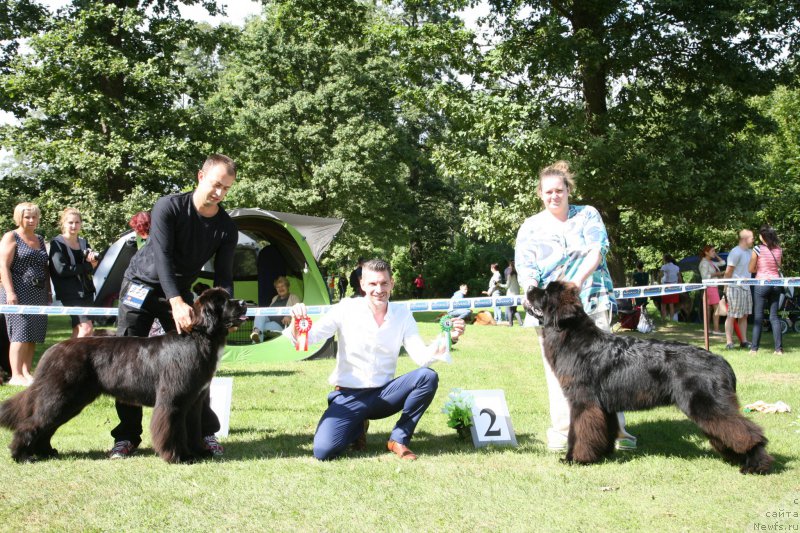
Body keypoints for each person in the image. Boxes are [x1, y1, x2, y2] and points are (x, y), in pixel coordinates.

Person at [108, 154, 238, 459]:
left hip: (177, 291)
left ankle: (203, 433)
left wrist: (226, 312)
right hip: (141, 285)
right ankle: (126, 437)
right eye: (216, 184)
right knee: (125, 362)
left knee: (196, 362)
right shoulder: (168, 206)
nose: (219, 193)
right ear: (200, 176)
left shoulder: (226, 228)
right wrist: (177, 302)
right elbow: (163, 258)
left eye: (227, 188)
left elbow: (224, 277)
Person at [285, 259, 465, 461]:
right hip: (349, 396)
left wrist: (450, 338)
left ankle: (399, 439)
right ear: (362, 284)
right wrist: (296, 321)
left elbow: (421, 357)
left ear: (392, 284)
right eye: (372, 284)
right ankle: (357, 426)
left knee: (427, 377)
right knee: (323, 452)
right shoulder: (345, 308)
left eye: (384, 283)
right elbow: (308, 339)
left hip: (384, 395)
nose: (379, 289)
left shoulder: (403, 315)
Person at [515, 160, 636, 452]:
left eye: (559, 190)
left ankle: (617, 431)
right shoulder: (530, 227)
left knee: (607, 369)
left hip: (591, 301)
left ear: (569, 190)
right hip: (551, 314)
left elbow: (597, 250)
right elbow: (526, 266)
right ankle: (564, 431)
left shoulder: (588, 216)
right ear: (540, 194)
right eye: (548, 192)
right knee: (561, 373)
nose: (554, 196)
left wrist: (578, 280)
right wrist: (529, 290)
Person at [0, 202, 50, 387]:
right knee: (20, 333)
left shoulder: (40, 238)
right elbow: (3, 266)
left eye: (34, 217)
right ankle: (15, 374)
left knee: (33, 333)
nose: (31, 220)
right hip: (17, 291)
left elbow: (45, 267)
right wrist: (10, 292)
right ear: (19, 218)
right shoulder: (11, 237)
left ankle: (26, 372)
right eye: (27, 217)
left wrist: (49, 290)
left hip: (38, 291)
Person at [49, 208, 100, 338]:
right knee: (86, 329)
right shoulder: (57, 243)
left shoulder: (83, 242)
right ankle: (75, 357)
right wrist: (87, 265)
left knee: (80, 330)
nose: (74, 226)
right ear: (63, 224)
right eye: (70, 222)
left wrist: (93, 262)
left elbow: (91, 267)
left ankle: (71, 358)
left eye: (77, 222)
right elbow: (61, 270)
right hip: (71, 293)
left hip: (87, 291)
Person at [748, 225, 784, 355]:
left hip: (762, 283)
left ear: (763, 237)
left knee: (758, 316)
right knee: (774, 316)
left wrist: (760, 269)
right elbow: (779, 266)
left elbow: (750, 269)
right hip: (776, 283)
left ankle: (754, 349)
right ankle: (779, 350)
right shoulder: (779, 249)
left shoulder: (757, 249)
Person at [724, 229, 754, 351]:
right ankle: (729, 342)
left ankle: (744, 340)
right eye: (752, 238)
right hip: (734, 287)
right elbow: (728, 272)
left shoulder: (750, 252)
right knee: (732, 316)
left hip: (746, 288)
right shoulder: (735, 252)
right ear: (744, 239)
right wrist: (725, 288)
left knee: (744, 316)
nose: (753, 240)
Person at [250, 276, 301, 343]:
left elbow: (299, 311)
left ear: (287, 286)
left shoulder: (294, 298)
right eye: (278, 287)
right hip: (269, 321)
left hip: (280, 325)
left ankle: (255, 344)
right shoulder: (275, 298)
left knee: (259, 327)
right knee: (260, 312)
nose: (280, 289)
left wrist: (290, 317)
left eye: (282, 286)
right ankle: (256, 332)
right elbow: (268, 312)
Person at [698, 245, 726, 336]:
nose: (714, 252)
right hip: (710, 287)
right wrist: (719, 273)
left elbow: (723, 263)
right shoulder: (704, 263)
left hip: (711, 287)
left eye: (715, 251)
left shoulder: (711, 262)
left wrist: (716, 255)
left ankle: (708, 329)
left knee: (709, 309)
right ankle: (716, 329)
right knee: (716, 308)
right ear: (706, 252)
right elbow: (705, 277)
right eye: (713, 251)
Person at [659, 254, 681, 321]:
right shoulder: (676, 267)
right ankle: (671, 320)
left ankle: (663, 319)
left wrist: (659, 281)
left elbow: (660, 275)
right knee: (671, 305)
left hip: (666, 286)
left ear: (664, 259)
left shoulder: (664, 267)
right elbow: (679, 278)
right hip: (674, 287)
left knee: (663, 304)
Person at [504, 260, 523, 327]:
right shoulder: (517, 274)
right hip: (517, 293)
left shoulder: (509, 275)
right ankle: (521, 323)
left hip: (510, 294)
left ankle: (510, 324)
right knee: (514, 310)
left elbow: (507, 286)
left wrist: (498, 284)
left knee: (509, 310)